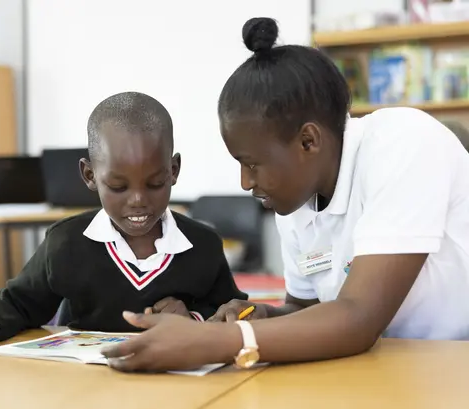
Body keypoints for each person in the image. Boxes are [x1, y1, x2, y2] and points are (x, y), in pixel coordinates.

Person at [100, 17, 469, 372]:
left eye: (253, 164)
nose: (245, 182)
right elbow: (305, 307)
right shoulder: (294, 202)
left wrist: (217, 341)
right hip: (383, 367)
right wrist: (260, 316)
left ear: (308, 141)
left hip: (451, 363)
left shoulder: (403, 143)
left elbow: (359, 317)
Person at [0, 92, 247, 355]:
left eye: (155, 184)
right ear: (89, 176)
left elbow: (231, 312)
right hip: (87, 387)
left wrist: (191, 318)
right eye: (118, 187)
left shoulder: (202, 245)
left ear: (174, 170)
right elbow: (19, 304)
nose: (138, 200)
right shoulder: (66, 243)